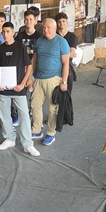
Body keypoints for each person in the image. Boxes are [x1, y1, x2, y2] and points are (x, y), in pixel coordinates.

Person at [0, 22, 40, 157]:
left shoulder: (20, 47)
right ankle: (9, 138)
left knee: (24, 115)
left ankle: (28, 144)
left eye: (8, 31)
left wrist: (23, 83)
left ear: (13, 33)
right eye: (3, 32)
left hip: (18, 88)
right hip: (3, 89)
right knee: (4, 115)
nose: (5, 34)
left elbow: (28, 66)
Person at [31, 18, 70, 146]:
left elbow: (66, 63)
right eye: (44, 27)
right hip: (38, 78)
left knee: (52, 109)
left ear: (54, 28)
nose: (45, 30)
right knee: (35, 105)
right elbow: (34, 60)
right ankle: (36, 130)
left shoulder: (61, 42)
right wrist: (30, 77)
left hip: (53, 79)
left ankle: (51, 133)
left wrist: (64, 82)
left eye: (48, 27)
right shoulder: (39, 41)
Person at [55, 11, 79, 92]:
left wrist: (58, 55)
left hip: (68, 66)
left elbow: (72, 54)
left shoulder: (72, 36)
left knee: (67, 91)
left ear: (67, 22)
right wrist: (67, 54)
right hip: (55, 66)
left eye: (63, 21)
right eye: (59, 21)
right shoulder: (54, 36)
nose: (61, 23)